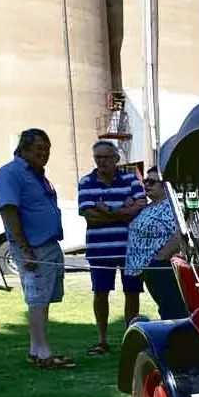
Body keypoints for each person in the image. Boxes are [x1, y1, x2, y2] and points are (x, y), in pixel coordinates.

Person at [0, 129, 75, 369]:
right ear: (24, 149)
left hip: (47, 246)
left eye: (47, 149)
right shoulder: (11, 173)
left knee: (43, 298)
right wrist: (24, 249)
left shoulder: (37, 175)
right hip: (33, 249)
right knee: (37, 299)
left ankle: (35, 348)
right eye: (39, 149)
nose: (44, 154)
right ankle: (42, 353)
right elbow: (9, 211)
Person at [78, 140, 146, 355]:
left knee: (132, 293)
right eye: (98, 157)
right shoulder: (87, 182)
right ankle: (102, 340)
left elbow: (140, 208)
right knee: (100, 293)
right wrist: (122, 212)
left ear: (117, 158)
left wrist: (106, 209)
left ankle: (130, 338)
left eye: (107, 157)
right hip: (100, 249)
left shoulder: (130, 179)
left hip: (130, 249)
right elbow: (90, 216)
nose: (102, 162)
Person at [123, 168, 188, 319]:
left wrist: (159, 259)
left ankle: (175, 339)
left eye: (152, 182)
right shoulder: (149, 206)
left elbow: (180, 234)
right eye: (145, 181)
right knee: (165, 308)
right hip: (147, 269)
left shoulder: (170, 206)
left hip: (161, 268)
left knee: (171, 309)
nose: (146, 184)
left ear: (165, 186)